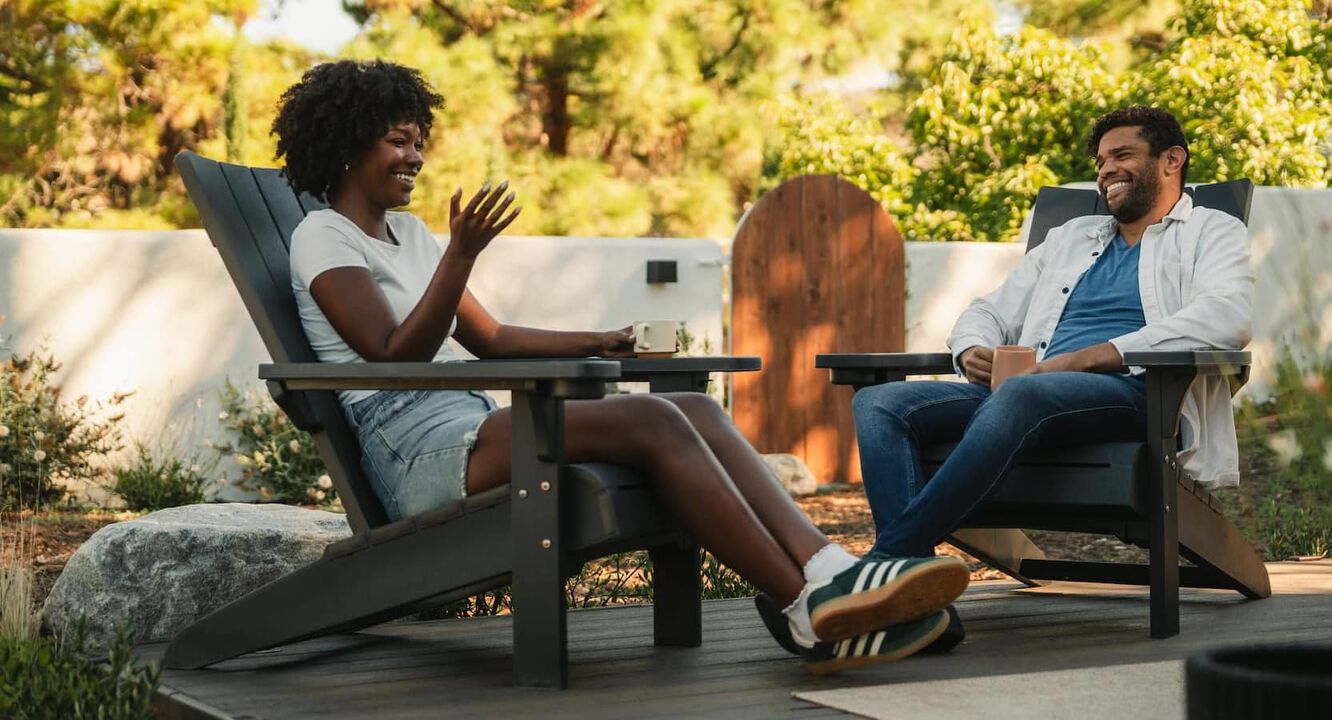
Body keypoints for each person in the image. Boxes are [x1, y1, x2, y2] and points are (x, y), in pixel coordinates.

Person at [270, 59, 970, 673]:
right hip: (413, 451)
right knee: (650, 420)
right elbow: (394, 353)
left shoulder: (410, 235)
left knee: (691, 407)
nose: (415, 155)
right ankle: (802, 606)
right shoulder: (321, 236)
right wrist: (461, 256)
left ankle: (828, 572)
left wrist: (603, 342)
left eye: (418, 140)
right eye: (398, 139)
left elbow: (491, 338)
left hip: (469, 425)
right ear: (347, 143)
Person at [853, 106, 1252, 558]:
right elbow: (988, 309)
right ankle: (911, 569)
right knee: (878, 402)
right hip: (1026, 394)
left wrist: (1090, 357)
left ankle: (890, 560)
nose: (1107, 172)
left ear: (1171, 160)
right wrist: (970, 350)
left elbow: (1227, 317)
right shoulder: (1071, 238)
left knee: (1020, 395)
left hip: (1140, 396)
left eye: (1122, 155)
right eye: (1101, 162)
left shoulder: (1210, 231)